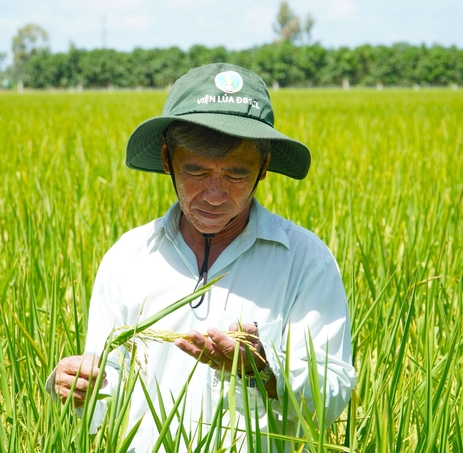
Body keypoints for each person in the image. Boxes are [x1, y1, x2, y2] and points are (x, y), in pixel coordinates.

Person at [46, 63, 356, 451]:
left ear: (263, 168)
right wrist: (76, 387)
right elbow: (105, 389)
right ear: (166, 160)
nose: (213, 194)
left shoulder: (304, 259)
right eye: (195, 170)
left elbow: (333, 395)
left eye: (235, 175)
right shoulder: (129, 256)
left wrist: (262, 368)